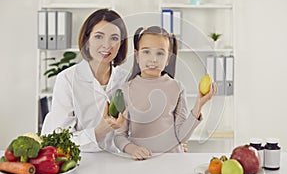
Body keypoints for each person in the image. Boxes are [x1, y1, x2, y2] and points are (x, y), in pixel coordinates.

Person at [114, 26, 217, 160]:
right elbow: (119, 136)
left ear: (168, 58)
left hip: (172, 161)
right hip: (141, 162)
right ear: (137, 55)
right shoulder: (125, 90)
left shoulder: (177, 87)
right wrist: (132, 149)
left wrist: (199, 104)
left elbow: (182, 137)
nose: (153, 59)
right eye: (146, 52)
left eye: (160, 53)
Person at [41, 9, 129, 152]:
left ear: (120, 44)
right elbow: (60, 140)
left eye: (114, 38)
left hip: (119, 159)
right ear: (87, 41)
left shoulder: (127, 79)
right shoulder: (67, 79)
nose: (107, 45)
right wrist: (100, 131)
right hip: (80, 160)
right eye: (99, 36)